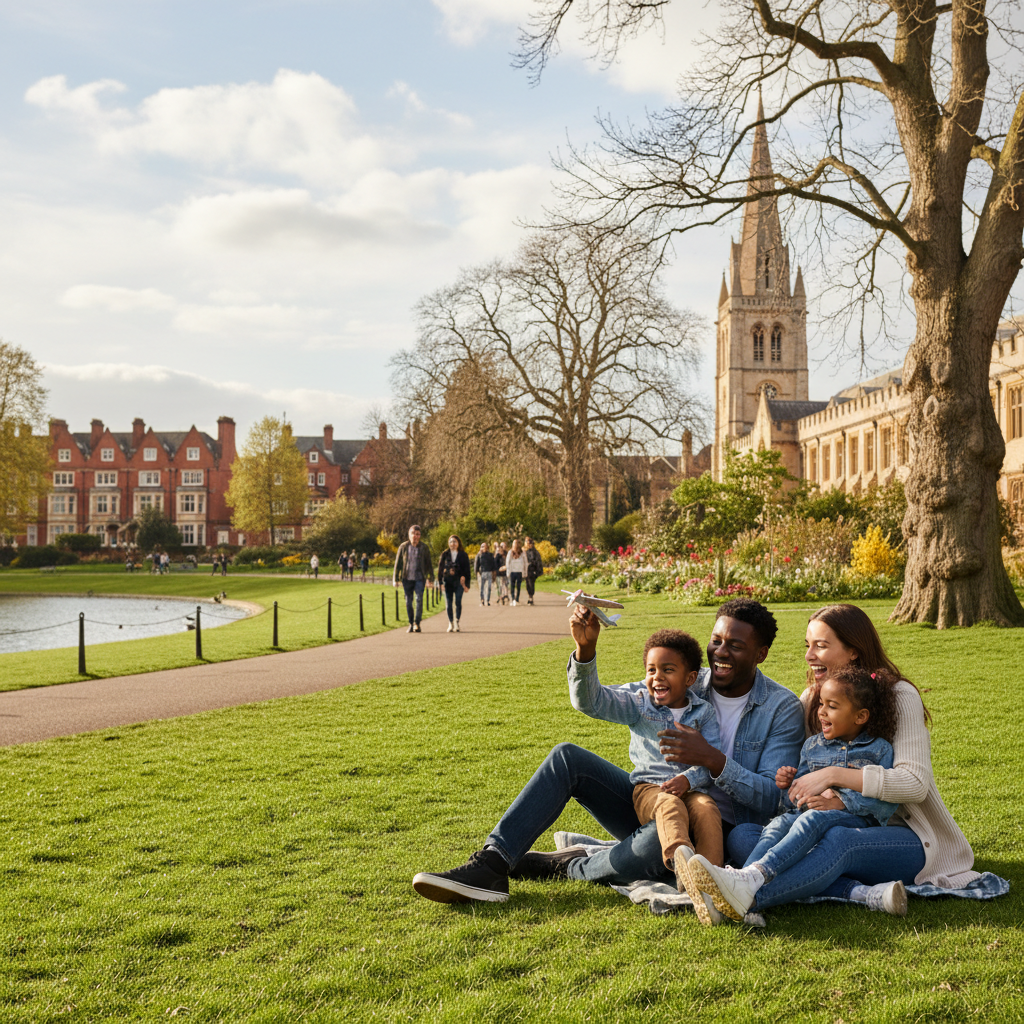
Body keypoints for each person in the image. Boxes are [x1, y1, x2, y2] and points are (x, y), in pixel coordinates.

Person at [411, 598, 803, 906]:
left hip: (719, 826)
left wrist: (712, 760)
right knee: (568, 757)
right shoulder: (684, 676)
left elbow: (772, 798)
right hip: (654, 799)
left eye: (735, 645)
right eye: (717, 640)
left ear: (761, 653)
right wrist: (585, 652)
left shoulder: (780, 708)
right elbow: (597, 703)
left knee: (656, 842)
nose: (720, 652)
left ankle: (573, 867)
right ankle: (492, 863)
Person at [705, 603, 980, 919]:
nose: (810, 655)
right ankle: (862, 893)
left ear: (853, 650)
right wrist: (793, 783)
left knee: (840, 839)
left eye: (821, 646)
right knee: (744, 836)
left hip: (907, 840)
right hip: (824, 824)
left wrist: (834, 776)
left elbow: (914, 785)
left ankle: (742, 899)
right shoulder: (812, 701)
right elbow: (803, 779)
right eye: (808, 645)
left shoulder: (898, 695)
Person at [687, 662, 900, 922]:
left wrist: (841, 803)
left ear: (860, 716)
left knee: (813, 818)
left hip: (853, 824)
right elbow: (794, 798)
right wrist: (789, 784)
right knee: (776, 825)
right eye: (821, 703)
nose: (822, 712)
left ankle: (753, 879)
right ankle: (743, 881)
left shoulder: (878, 750)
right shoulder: (812, 746)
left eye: (832, 706)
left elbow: (884, 804)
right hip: (806, 819)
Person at [597, 629, 724, 887]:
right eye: (651, 670)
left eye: (667, 670)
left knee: (708, 809)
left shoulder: (704, 712)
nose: (657, 677)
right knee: (669, 803)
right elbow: (592, 701)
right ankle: (682, 866)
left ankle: (713, 882)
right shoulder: (641, 705)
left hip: (693, 789)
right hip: (650, 790)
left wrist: (687, 780)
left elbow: (712, 761)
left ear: (690, 678)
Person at [393, 525, 434, 634]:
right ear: (409, 534)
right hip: (407, 578)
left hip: (420, 578)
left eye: (418, 534)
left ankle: (417, 623)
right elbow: (398, 564)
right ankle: (411, 623)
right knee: (408, 602)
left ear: (420, 536)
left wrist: (430, 578)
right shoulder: (403, 547)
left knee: (419, 599)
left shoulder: (424, 548)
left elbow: (429, 564)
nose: (415, 536)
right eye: (413, 534)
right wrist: (395, 579)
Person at [438, 535, 472, 633]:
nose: (453, 544)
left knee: (458, 602)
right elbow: (440, 569)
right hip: (448, 582)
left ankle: (457, 622)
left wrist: (467, 585)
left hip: (459, 582)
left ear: (458, 543)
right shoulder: (445, 554)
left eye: (455, 542)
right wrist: (440, 582)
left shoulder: (463, 555)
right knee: (448, 603)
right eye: (451, 542)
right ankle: (450, 622)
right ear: (449, 543)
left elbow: (467, 570)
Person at [505, 540, 527, 606]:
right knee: (512, 585)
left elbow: (525, 562)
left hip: (519, 571)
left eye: (517, 544)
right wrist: (508, 571)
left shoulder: (522, 553)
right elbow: (507, 562)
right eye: (514, 544)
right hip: (512, 571)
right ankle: (513, 598)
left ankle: (517, 598)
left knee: (518, 586)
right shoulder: (510, 552)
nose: (515, 545)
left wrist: (525, 572)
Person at [475, 541, 496, 606]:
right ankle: (482, 600)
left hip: (489, 572)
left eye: (484, 546)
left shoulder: (490, 555)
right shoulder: (479, 555)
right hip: (482, 573)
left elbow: (493, 564)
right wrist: (477, 572)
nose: (483, 548)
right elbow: (476, 564)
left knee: (489, 587)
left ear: (487, 547)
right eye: (482, 546)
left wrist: (494, 573)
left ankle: (488, 600)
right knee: (482, 587)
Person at [524, 537, 543, 605]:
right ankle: (530, 596)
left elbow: (538, 561)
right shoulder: (525, 552)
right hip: (526, 570)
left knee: (531, 584)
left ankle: (531, 597)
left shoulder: (534, 552)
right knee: (527, 584)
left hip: (532, 570)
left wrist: (537, 570)